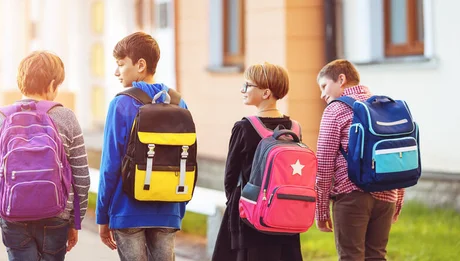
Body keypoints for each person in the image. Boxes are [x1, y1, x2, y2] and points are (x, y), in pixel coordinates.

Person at [0, 51, 90, 261]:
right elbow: (82, 179)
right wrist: (74, 221)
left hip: (13, 215)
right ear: (51, 85)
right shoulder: (67, 118)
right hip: (56, 216)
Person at [96, 31, 189, 261]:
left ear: (140, 65)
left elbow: (110, 165)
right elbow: (186, 159)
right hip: (168, 211)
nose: (116, 72)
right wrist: (178, 209)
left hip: (127, 211)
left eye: (120, 64)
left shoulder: (121, 104)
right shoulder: (179, 102)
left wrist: (103, 216)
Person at [211, 62, 303, 261]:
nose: (242, 90)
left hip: (251, 214)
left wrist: (233, 205)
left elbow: (230, 175)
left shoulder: (244, 127)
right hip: (285, 212)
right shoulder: (294, 129)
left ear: (266, 93)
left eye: (248, 85)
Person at [315, 59, 405, 260]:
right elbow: (397, 156)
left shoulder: (335, 110)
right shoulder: (385, 107)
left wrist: (321, 212)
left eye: (324, 86)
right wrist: (397, 201)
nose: (322, 94)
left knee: (350, 256)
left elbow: (324, 163)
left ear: (341, 79)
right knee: (377, 256)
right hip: (387, 195)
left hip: (351, 196)